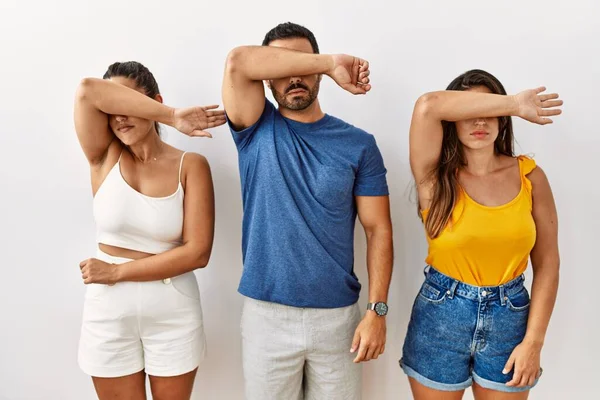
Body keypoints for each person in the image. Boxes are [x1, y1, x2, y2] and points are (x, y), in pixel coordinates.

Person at [222, 22, 394, 400]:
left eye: (303, 63)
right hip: (266, 316)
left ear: (317, 71)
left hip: (338, 318)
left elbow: (377, 229)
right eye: (280, 66)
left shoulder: (359, 144)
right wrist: (331, 61)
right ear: (268, 79)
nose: (294, 75)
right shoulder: (253, 127)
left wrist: (377, 311)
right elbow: (238, 62)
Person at [401, 69, 561, 399]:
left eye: (491, 113)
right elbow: (428, 105)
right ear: (453, 120)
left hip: (510, 317)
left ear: (502, 121)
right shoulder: (434, 177)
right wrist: (514, 102)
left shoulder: (531, 177)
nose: (480, 122)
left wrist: (534, 342)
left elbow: (547, 265)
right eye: (471, 113)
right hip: (441, 314)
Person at [74, 61, 224, 400]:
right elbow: (86, 89)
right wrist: (171, 116)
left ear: (153, 100)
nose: (120, 116)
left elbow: (197, 253)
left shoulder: (191, 165)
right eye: (113, 107)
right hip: (109, 313)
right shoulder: (103, 156)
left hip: (173, 310)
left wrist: (116, 272)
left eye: (128, 103)